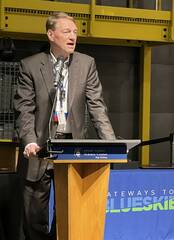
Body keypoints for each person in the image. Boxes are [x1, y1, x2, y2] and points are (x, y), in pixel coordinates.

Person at [14, 12, 115, 240]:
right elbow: (24, 110)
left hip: (73, 151)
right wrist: (29, 141)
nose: (73, 36)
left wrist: (110, 144)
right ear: (51, 34)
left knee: (70, 217)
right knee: (34, 219)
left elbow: (97, 107)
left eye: (75, 32)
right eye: (67, 31)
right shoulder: (30, 66)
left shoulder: (86, 64)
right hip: (38, 151)